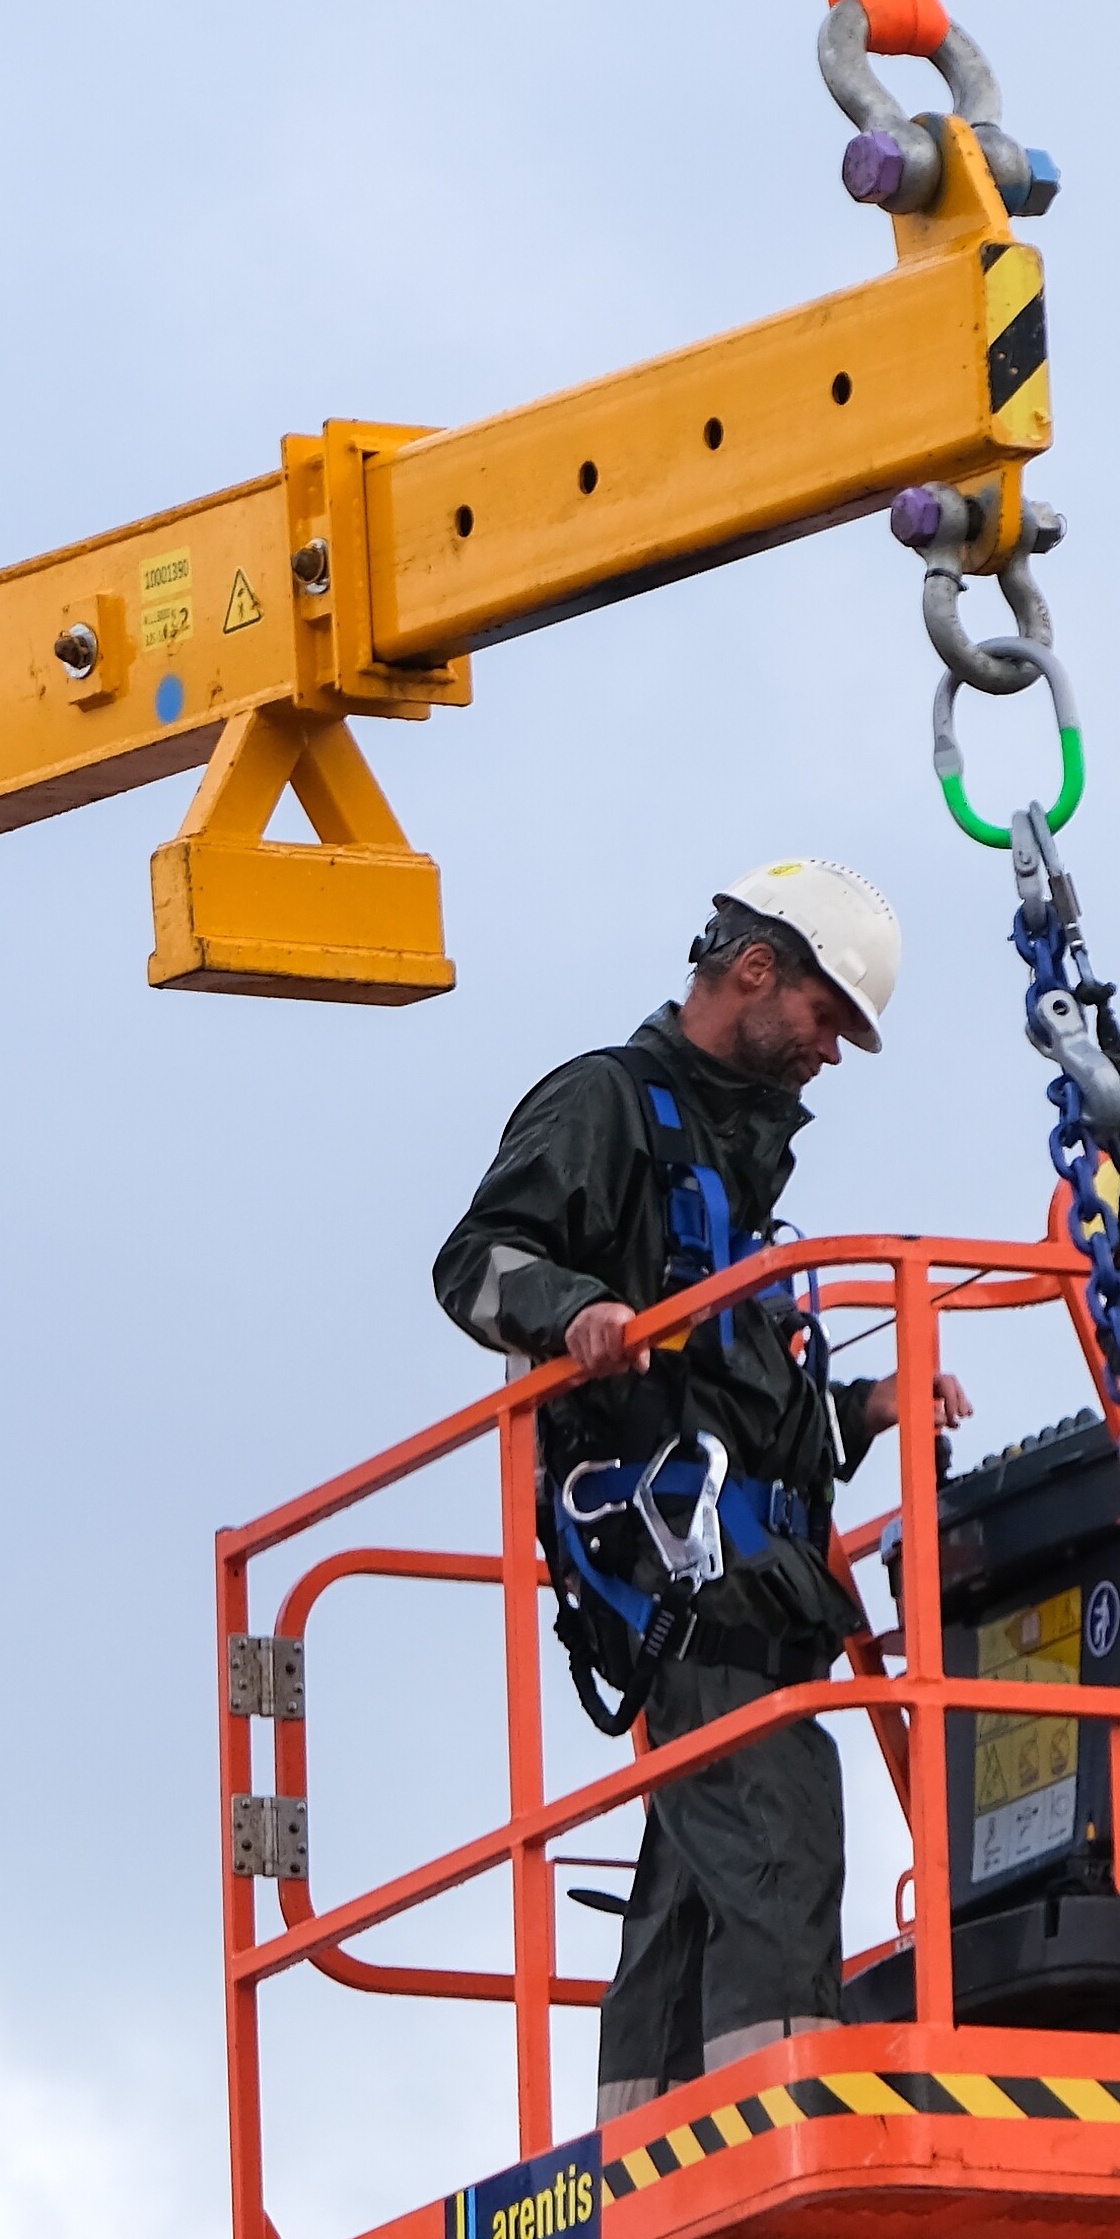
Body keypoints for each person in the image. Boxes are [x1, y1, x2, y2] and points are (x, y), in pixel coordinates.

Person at [432, 862, 967, 2122]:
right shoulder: (609, 1105)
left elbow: (731, 1401)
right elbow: (473, 1264)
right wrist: (578, 1314)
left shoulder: (736, 1161)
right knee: (779, 1824)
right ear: (757, 970)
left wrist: (860, 1409)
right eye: (829, 1019)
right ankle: (780, 2144)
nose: (832, 1053)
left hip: (753, 1576)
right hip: (672, 1561)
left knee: (696, 1871)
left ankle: (645, 2151)